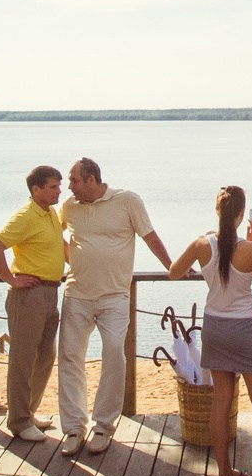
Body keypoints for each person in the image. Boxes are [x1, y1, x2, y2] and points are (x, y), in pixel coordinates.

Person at [168, 186, 252, 476]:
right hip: (244, 328)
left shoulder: (202, 244)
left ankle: (225, 474)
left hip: (215, 326)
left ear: (217, 211)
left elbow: (174, 271)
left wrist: (203, 268)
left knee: (221, 399)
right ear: (242, 214)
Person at [57, 158, 171, 458]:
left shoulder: (127, 200)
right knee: (69, 358)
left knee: (113, 354)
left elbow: (149, 236)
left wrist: (173, 267)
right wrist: (75, 262)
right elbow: (53, 236)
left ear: (91, 180)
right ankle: (72, 428)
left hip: (114, 296)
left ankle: (103, 426)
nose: (69, 186)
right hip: (76, 293)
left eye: (74, 180)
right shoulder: (69, 207)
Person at [0, 164, 66, 443]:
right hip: (29, 296)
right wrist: (11, 280)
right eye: (53, 186)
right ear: (36, 189)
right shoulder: (25, 216)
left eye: (59, 185)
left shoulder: (50, 213)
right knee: (23, 359)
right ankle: (19, 421)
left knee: (46, 355)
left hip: (51, 292)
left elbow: (59, 247)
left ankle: (28, 413)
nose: (59, 191)